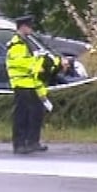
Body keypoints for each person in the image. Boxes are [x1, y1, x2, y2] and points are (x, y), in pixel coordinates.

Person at [6, 15, 62, 154]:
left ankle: (32, 142)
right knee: (22, 114)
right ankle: (19, 144)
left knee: (36, 113)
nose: (31, 28)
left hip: (32, 84)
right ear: (22, 27)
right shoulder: (17, 44)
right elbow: (23, 63)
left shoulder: (27, 42)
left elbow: (35, 60)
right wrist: (41, 64)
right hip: (21, 83)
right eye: (29, 26)